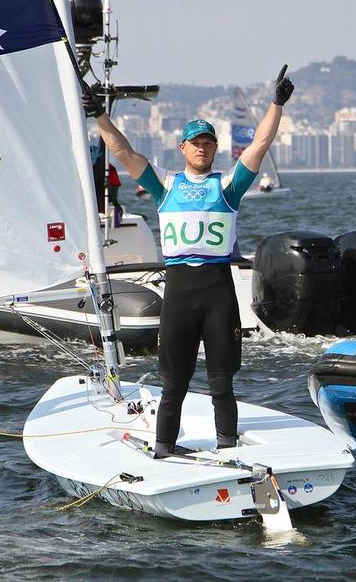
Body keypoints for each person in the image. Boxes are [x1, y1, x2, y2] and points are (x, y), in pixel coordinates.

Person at [85, 66, 294, 456]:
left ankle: (228, 450)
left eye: (208, 143)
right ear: (182, 148)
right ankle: (163, 450)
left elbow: (260, 145)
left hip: (218, 294)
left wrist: (276, 103)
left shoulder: (228, 187)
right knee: (173, 383)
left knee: (221, 384)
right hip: (180, 294)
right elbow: (122, 151)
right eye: (195, 143)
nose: (202, 148)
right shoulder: (164, 185)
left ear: (215, 149)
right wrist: (99, 114)